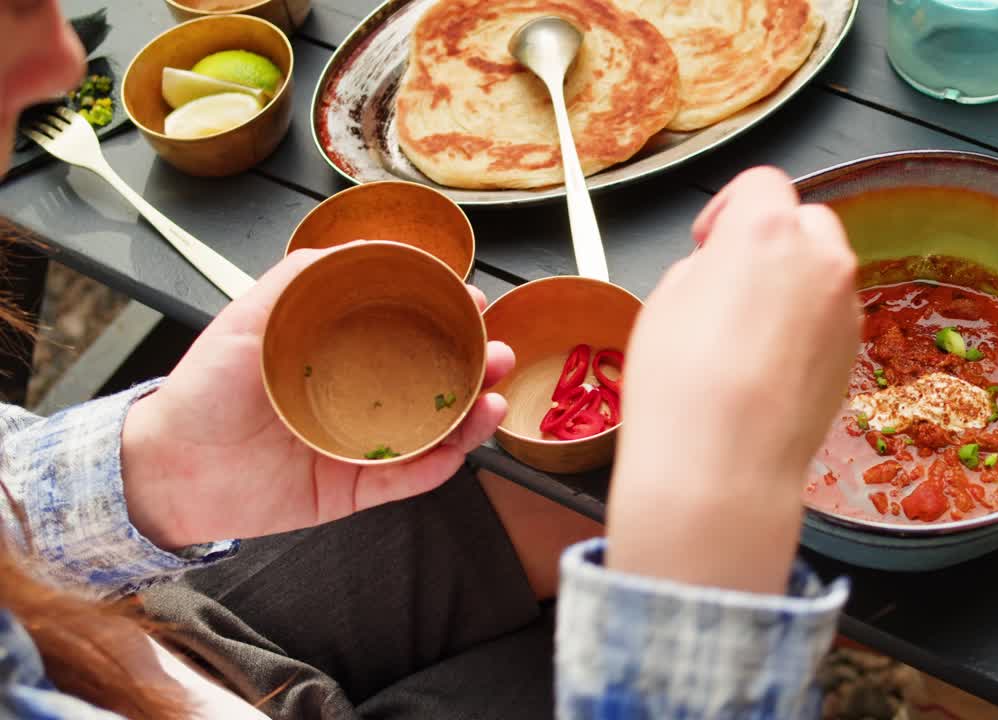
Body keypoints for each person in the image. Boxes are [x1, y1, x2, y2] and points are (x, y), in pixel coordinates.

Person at [0, 1, 863, 718]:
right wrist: (710, 546)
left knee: (571, 506)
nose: (66, 61)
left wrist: (154, 472)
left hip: (140, 630)